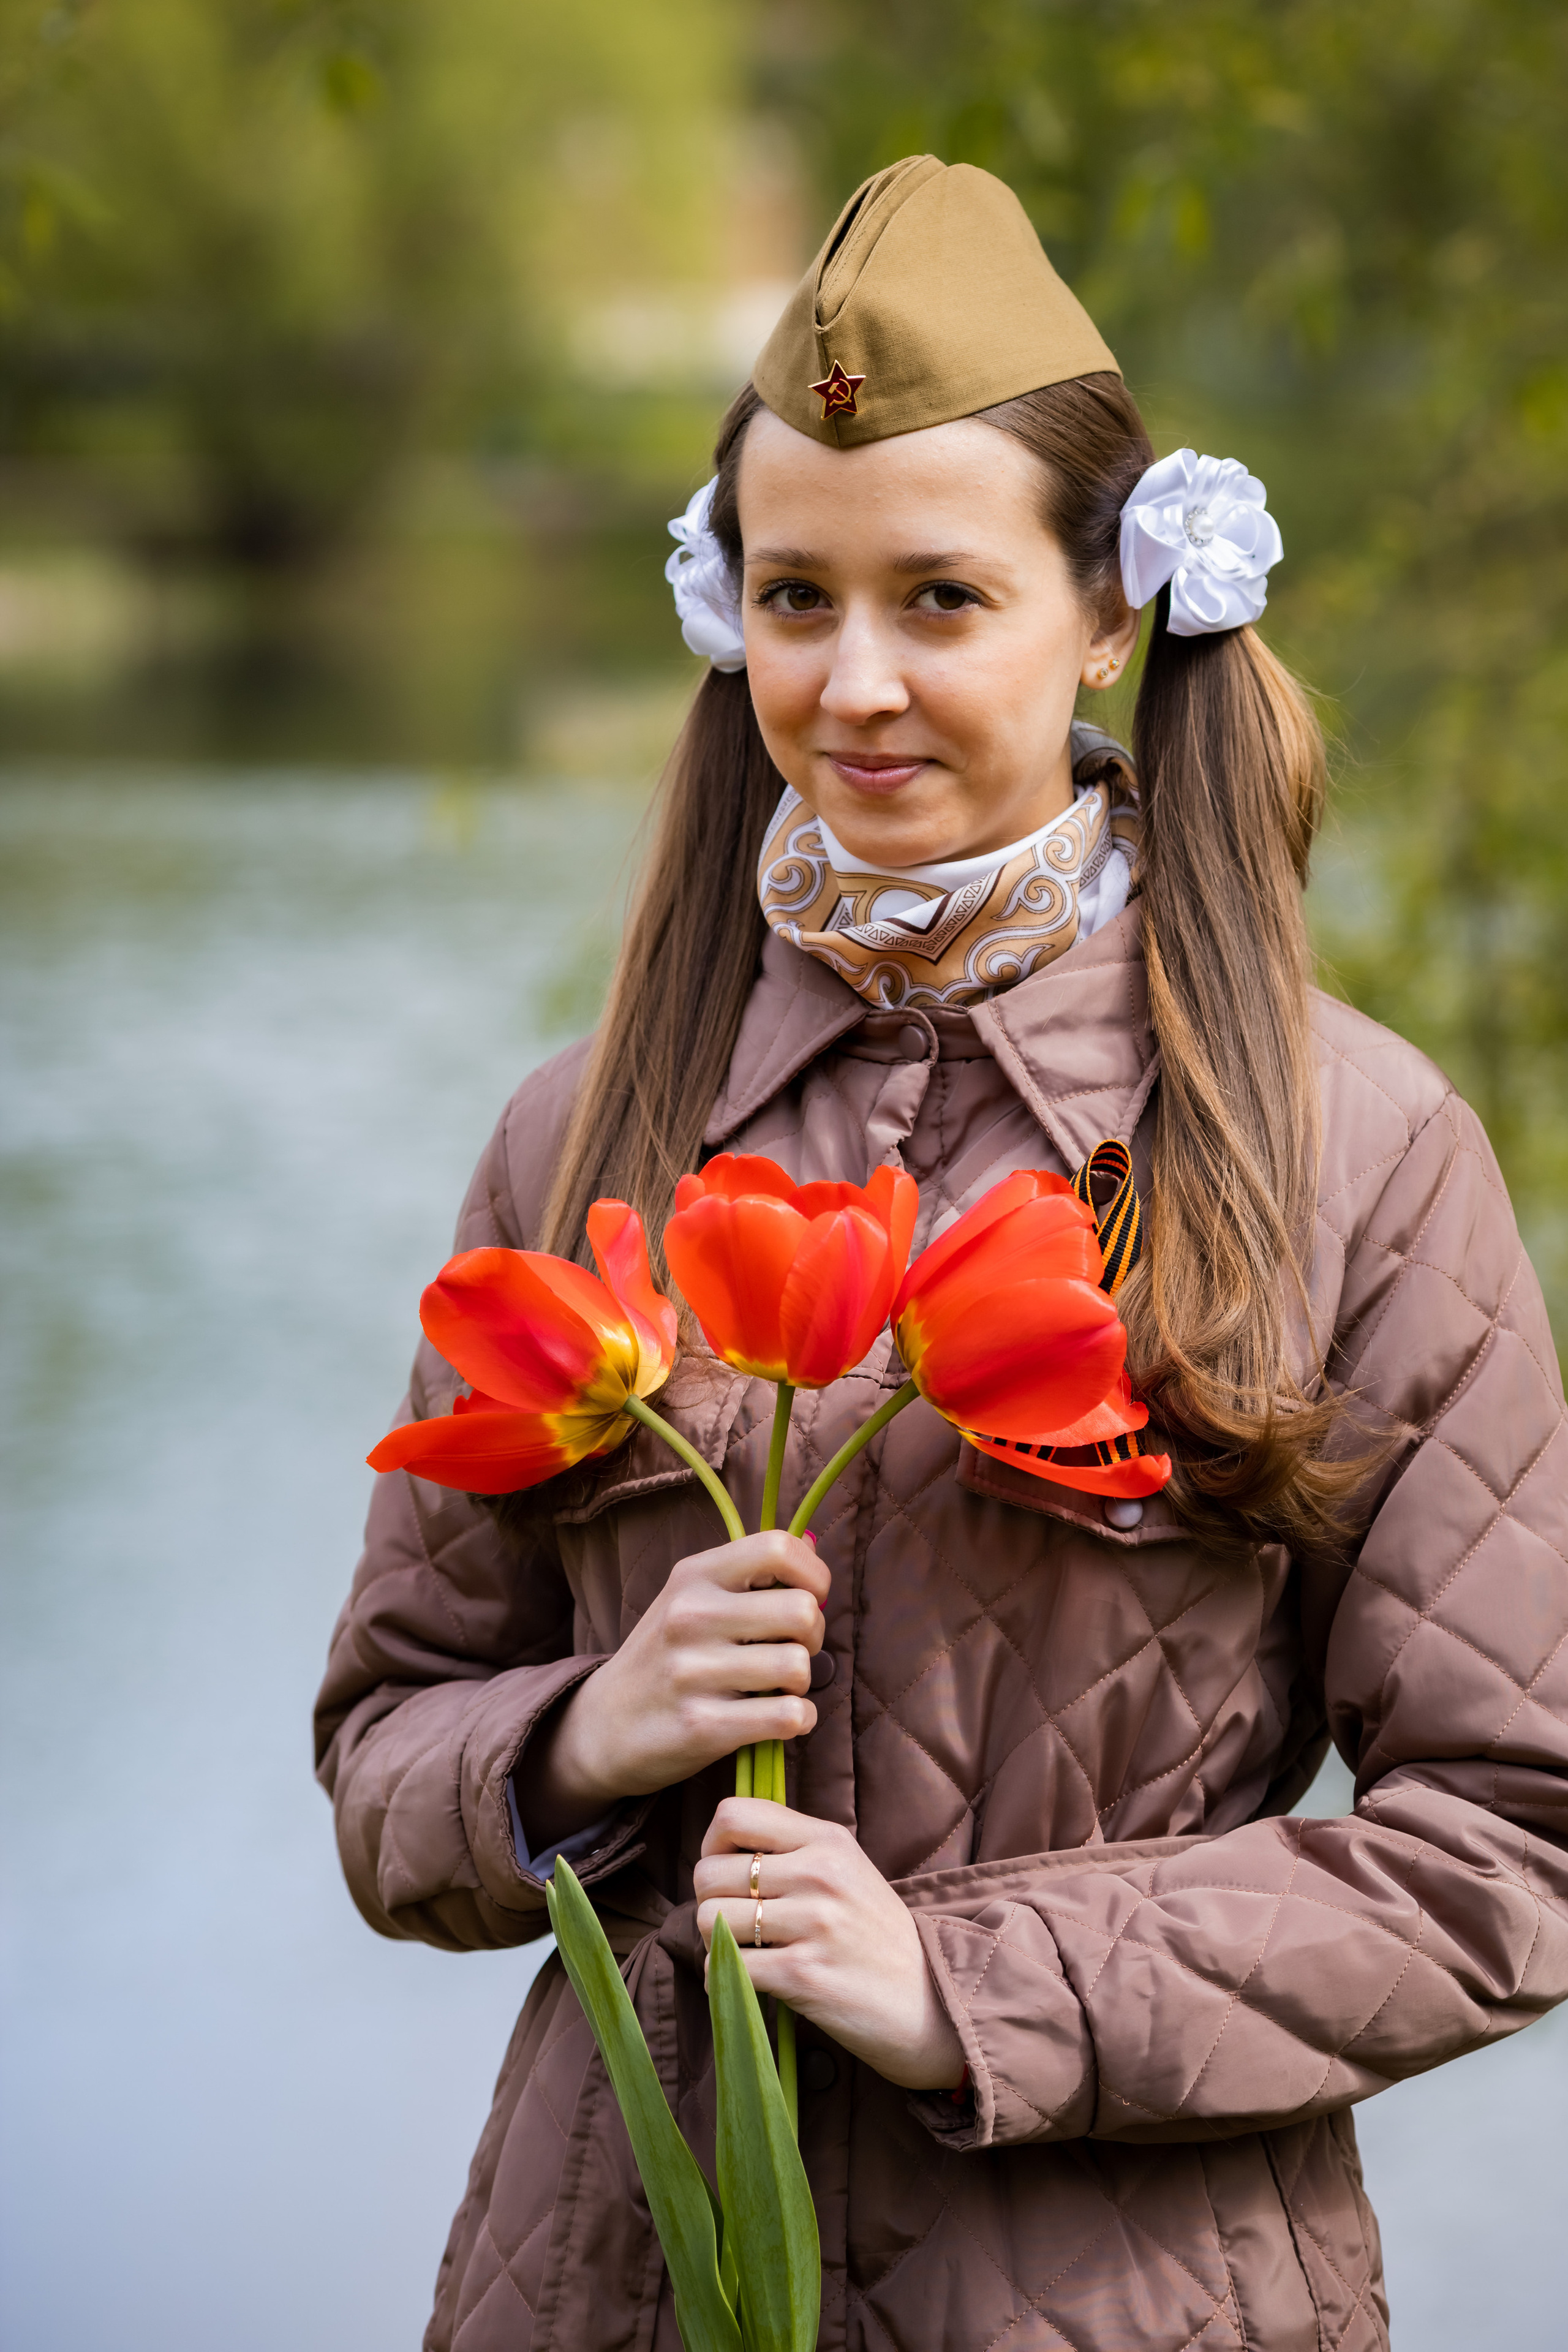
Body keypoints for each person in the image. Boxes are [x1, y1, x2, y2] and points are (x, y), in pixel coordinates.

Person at [314, 157, 1568, 2352]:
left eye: (943, 601)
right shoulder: (583, 1126)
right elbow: (382, 1759)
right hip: (617, 2283)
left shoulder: (1349, 1145)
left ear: (1107, 613)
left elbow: (1514, 1848)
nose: (856, 682)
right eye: (796, 599)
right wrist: (587, 1736)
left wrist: (964, 1982)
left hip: (1134, 2298)